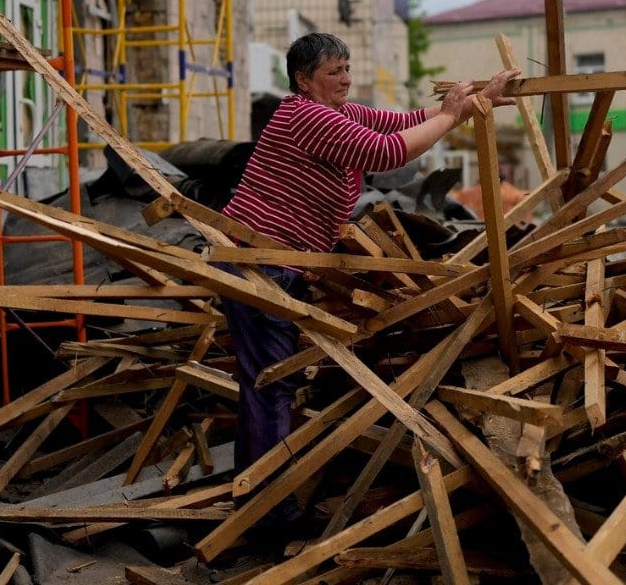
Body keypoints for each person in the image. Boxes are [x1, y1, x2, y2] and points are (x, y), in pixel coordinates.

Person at [219, 32, 515, 531]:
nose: (346, 79)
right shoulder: (305, 117)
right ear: (303, 79)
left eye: (347, 68)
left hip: (280, 264)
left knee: (269, 380)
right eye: (334, 71)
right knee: (270, 382)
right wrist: (451, 116)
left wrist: (472, 103)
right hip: (259, 262)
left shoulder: (339, 113)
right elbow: (386, 152)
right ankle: (268, 510)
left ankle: (258, 498)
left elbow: (404, 122)